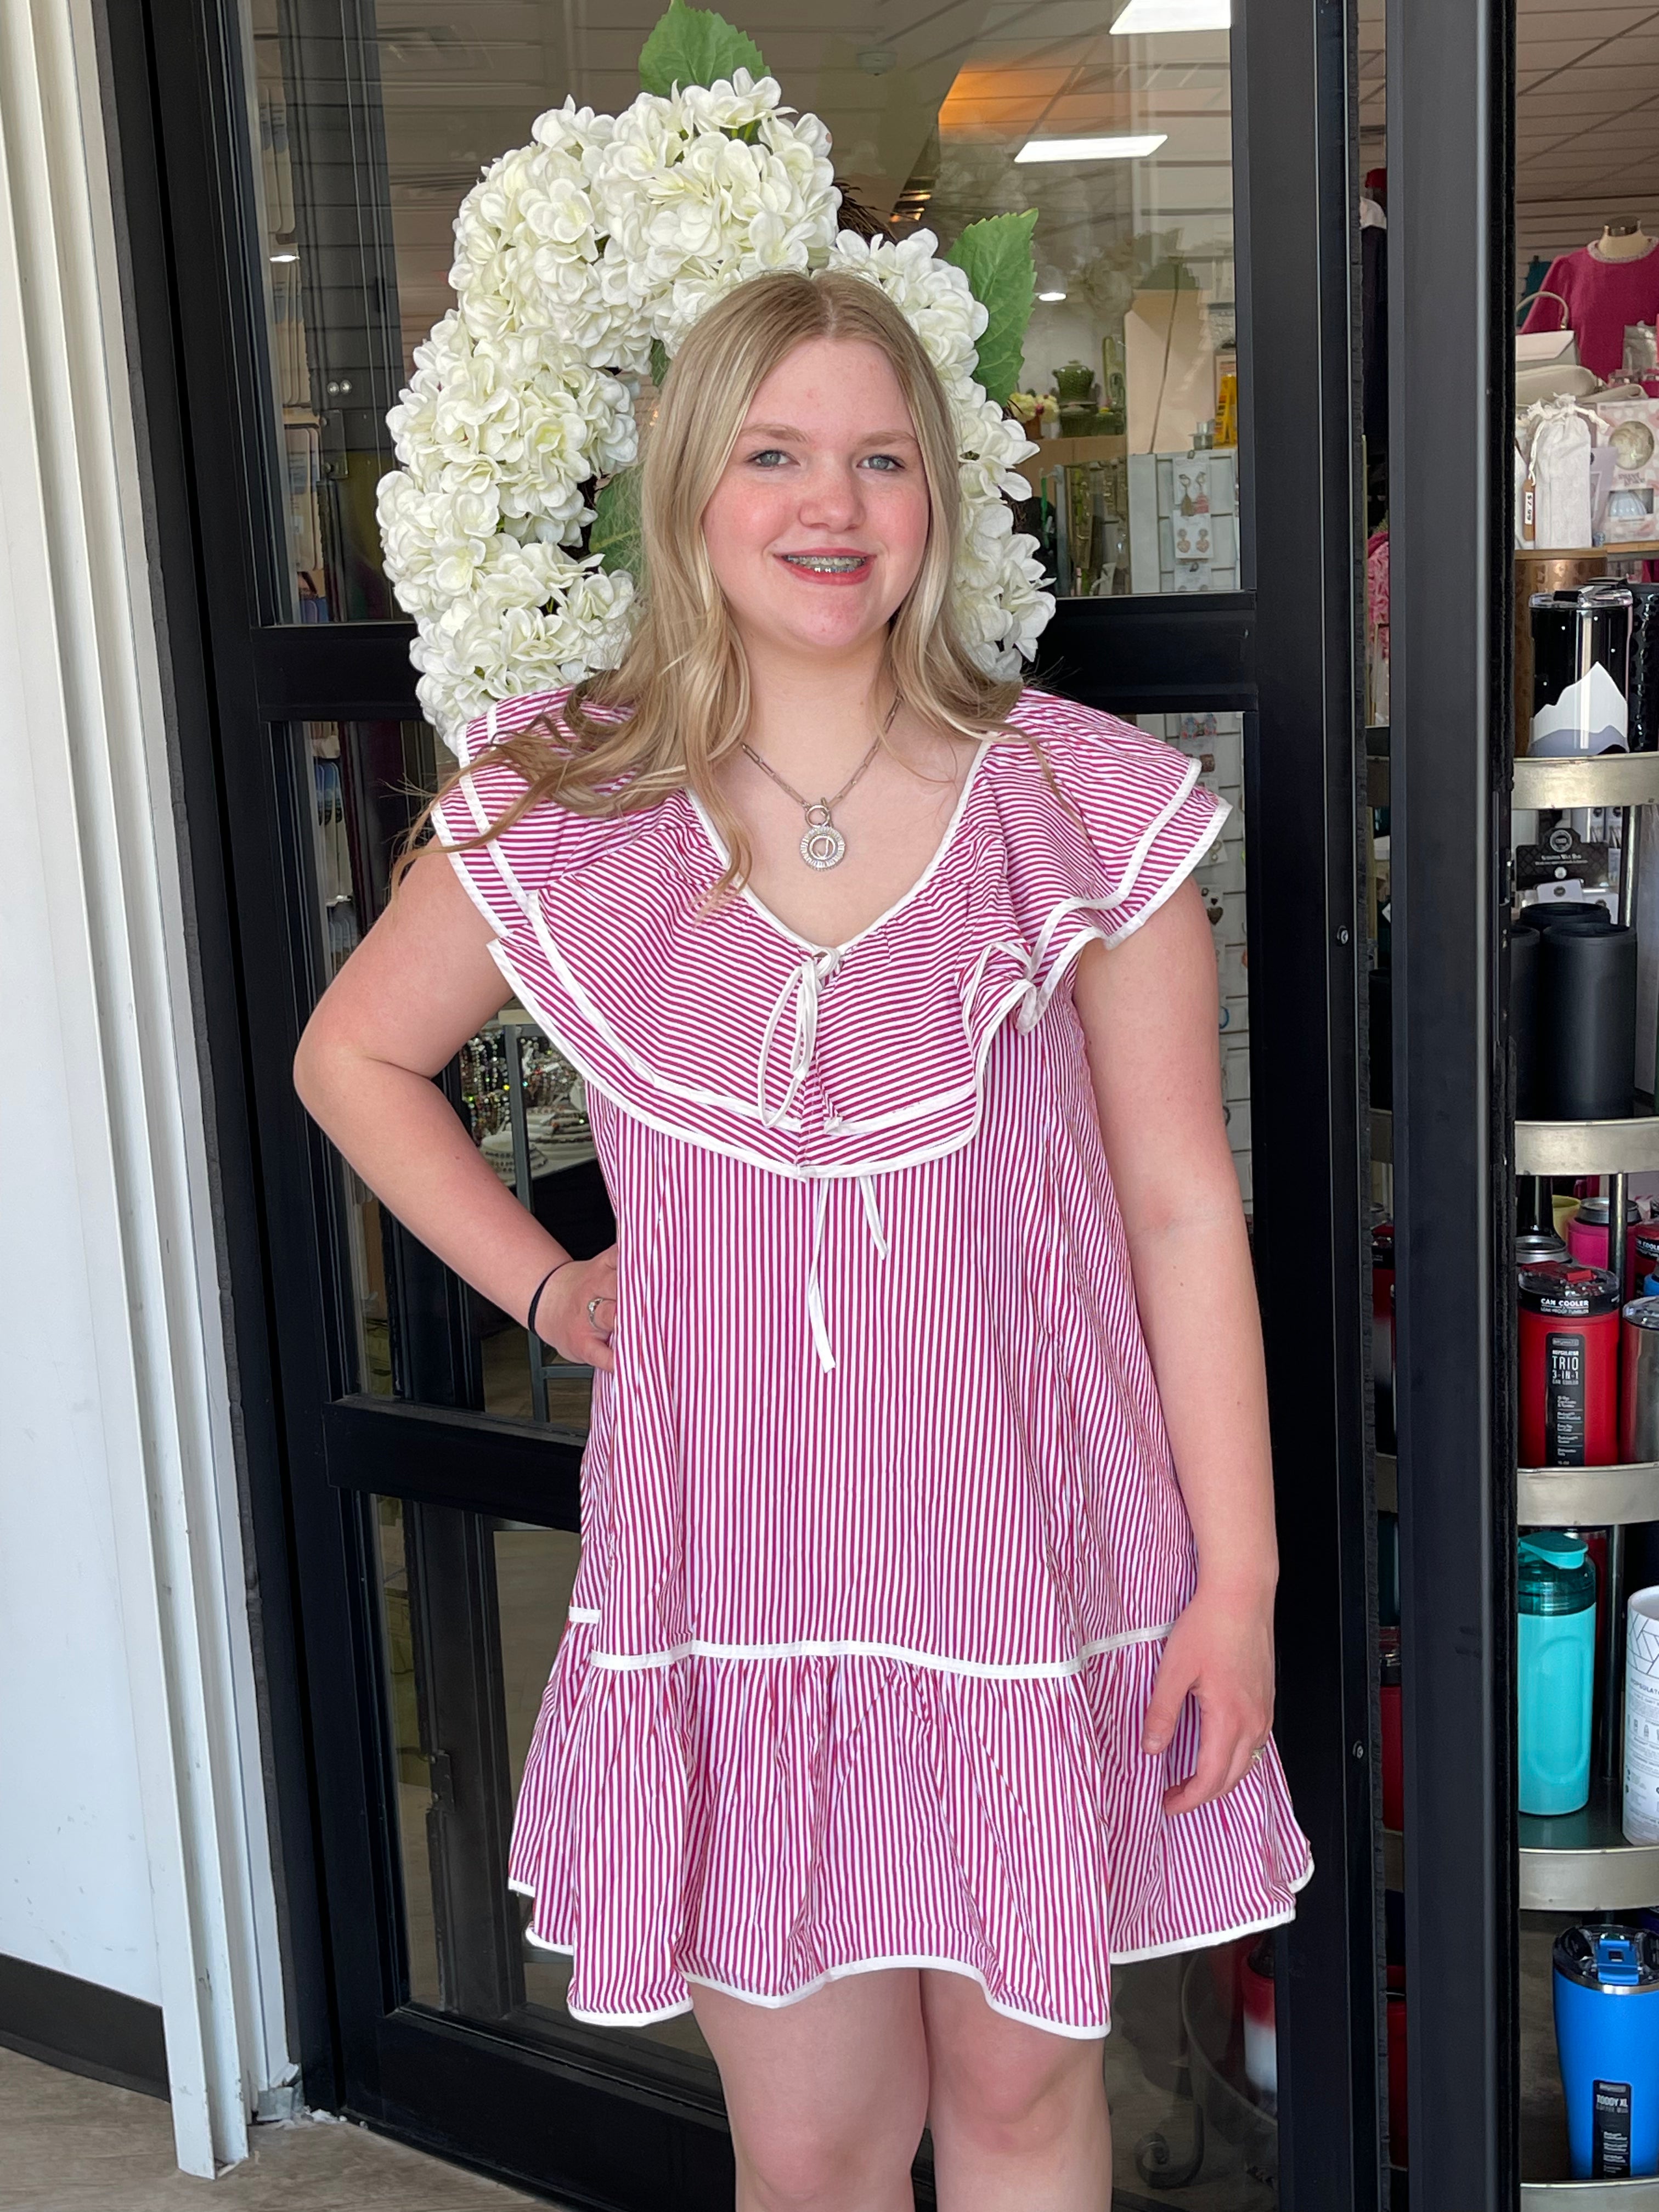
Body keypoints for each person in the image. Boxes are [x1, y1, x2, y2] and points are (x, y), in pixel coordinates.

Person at [293, 267, 1311, 2212]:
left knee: (1021, 2112)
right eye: (774, 453)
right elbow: (355, 1056)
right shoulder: (571, 800)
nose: (829, 503)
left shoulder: (1077, 803)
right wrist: (543, 1281)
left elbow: (1188, 1208)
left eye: (881, 457)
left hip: (1035, 1563)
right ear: (691, 492)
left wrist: (1237, 1582)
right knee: (822, 2149)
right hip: (744, 1579)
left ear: (939, 500)